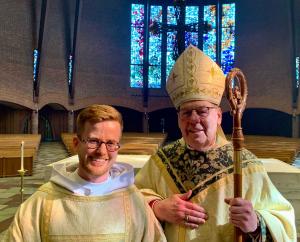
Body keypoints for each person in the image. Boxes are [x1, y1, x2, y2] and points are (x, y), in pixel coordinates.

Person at [135, 45, 297, 242]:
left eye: (202, 111)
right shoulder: (162, 161)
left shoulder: (246, 165)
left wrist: (255, 223)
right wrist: (158, 208)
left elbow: (283, 220)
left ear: (219, 116)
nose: (193, 119)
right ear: (178, 119)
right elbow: (133, 200)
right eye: (186, 112)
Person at [4, 104, 166, 242]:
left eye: (110, 143)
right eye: (93, 141)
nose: (102, 152)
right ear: (76, 144)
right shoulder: (41, 202)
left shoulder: (134, 202)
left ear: (118, 148)